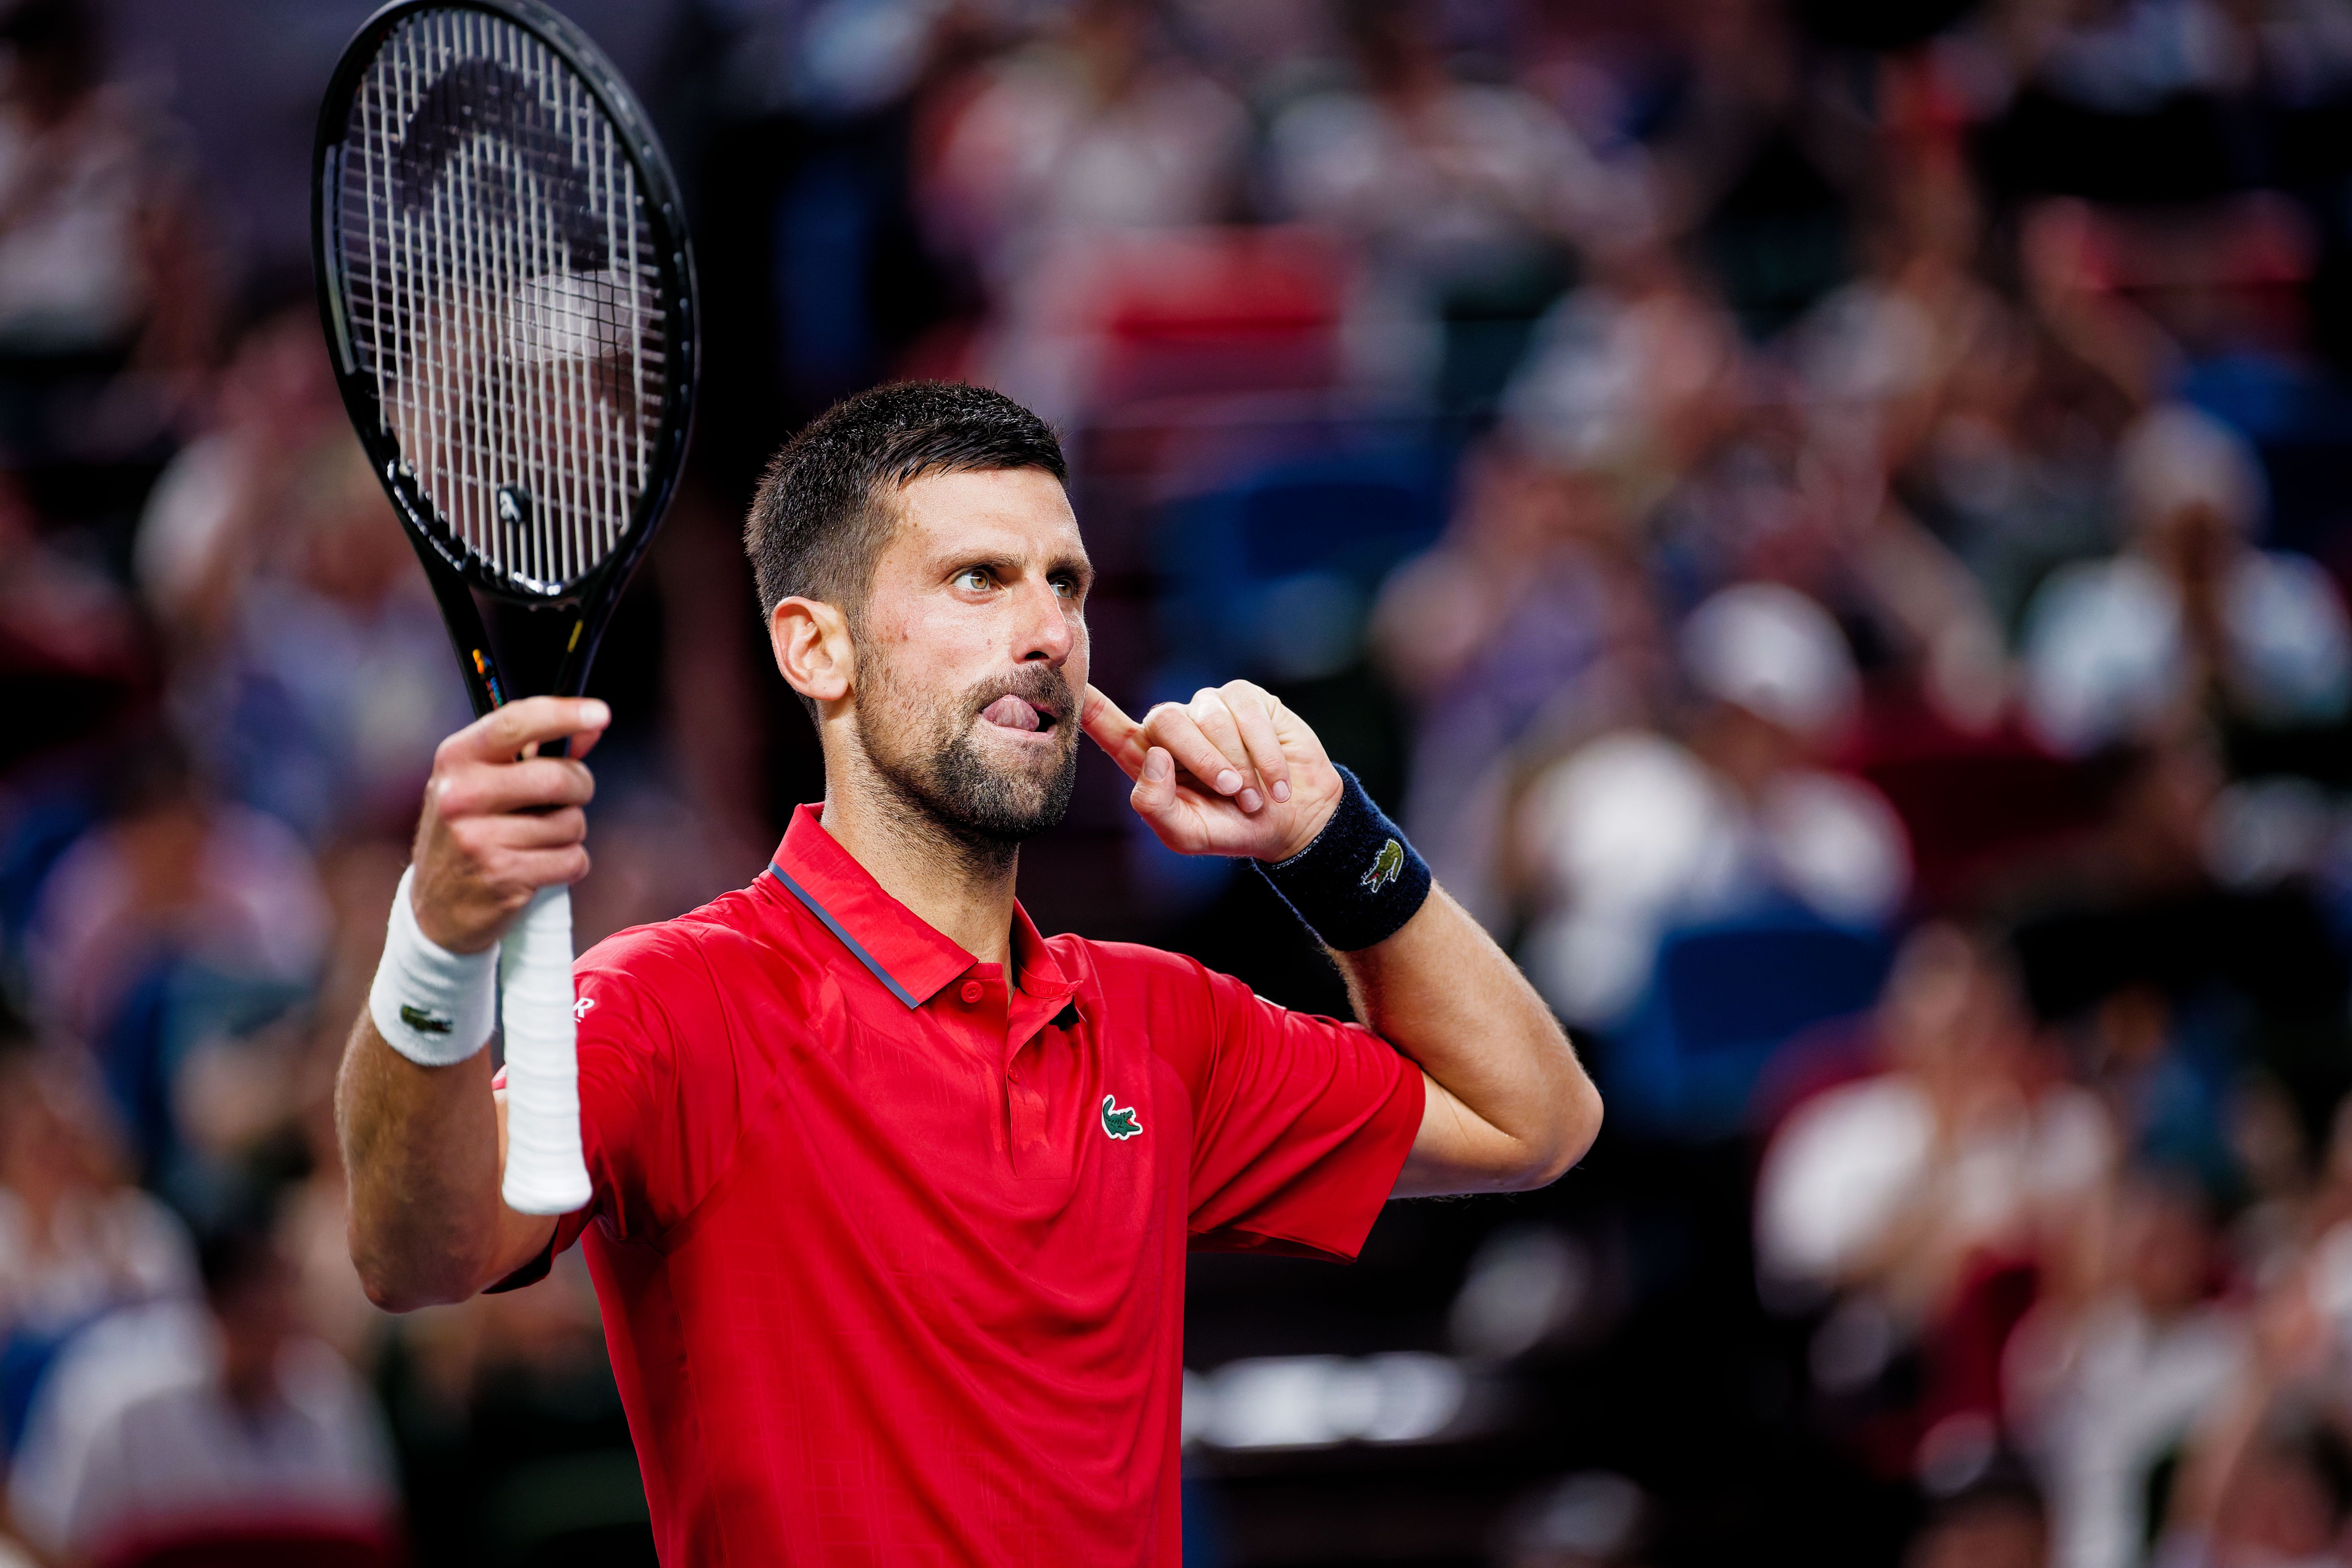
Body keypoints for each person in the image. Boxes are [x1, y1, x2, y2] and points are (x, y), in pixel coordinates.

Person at [334, 381, 1601, 1564]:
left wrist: (1331, 846)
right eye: (979, 579)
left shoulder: (1161, 1023)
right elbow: (416, 1254)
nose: (1049, 631)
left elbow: (1533, 1119)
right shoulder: (680, 1001)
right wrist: (438, 947)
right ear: (813, 649)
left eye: (1069, 583)